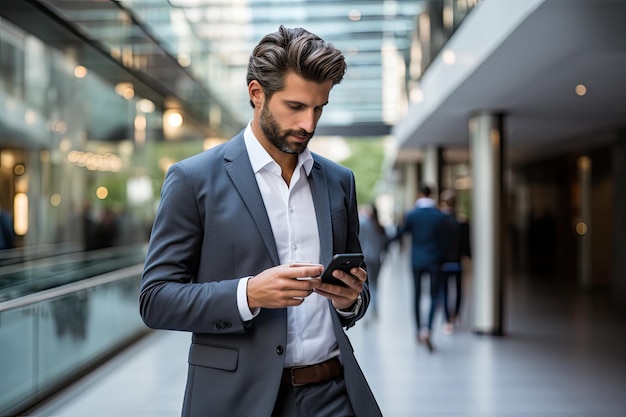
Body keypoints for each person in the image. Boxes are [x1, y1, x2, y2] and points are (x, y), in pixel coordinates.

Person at [140, 26, 381, 417]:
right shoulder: (193, 179)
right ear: (257, 94)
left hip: (334, 395)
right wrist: (248, 294)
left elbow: (358, 290)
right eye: (296, 106)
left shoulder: (339, 181)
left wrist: (350, 301)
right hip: (238, 399)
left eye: (319, 108)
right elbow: (155, 300)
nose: (309, 124)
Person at [395, 183, 448, 352]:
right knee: (434, 295)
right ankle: (428, 329)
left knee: (417, 295)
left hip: (417, 260)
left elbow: (400, 234)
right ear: (431, 194)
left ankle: (418, 331)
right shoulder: (439, 216)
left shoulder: (411, 215)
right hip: (435, 260)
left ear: (419, 194)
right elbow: (444, 241)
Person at [439, 189, 470, 333]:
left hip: (444, 261)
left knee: (445, 290)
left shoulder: (440, 220)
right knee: (458, 289)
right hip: (457, 259)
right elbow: (466, 243)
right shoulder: (461, 221)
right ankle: (456, 314)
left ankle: (447, 319)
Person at [358, 203, 389, 320]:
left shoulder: (364, 224)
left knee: (367, 284)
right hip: (376, 257)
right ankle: (374, 309)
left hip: (366, 257)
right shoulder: (379, 226)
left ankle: (367, 311)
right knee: (375, 284)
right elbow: (384, 243)